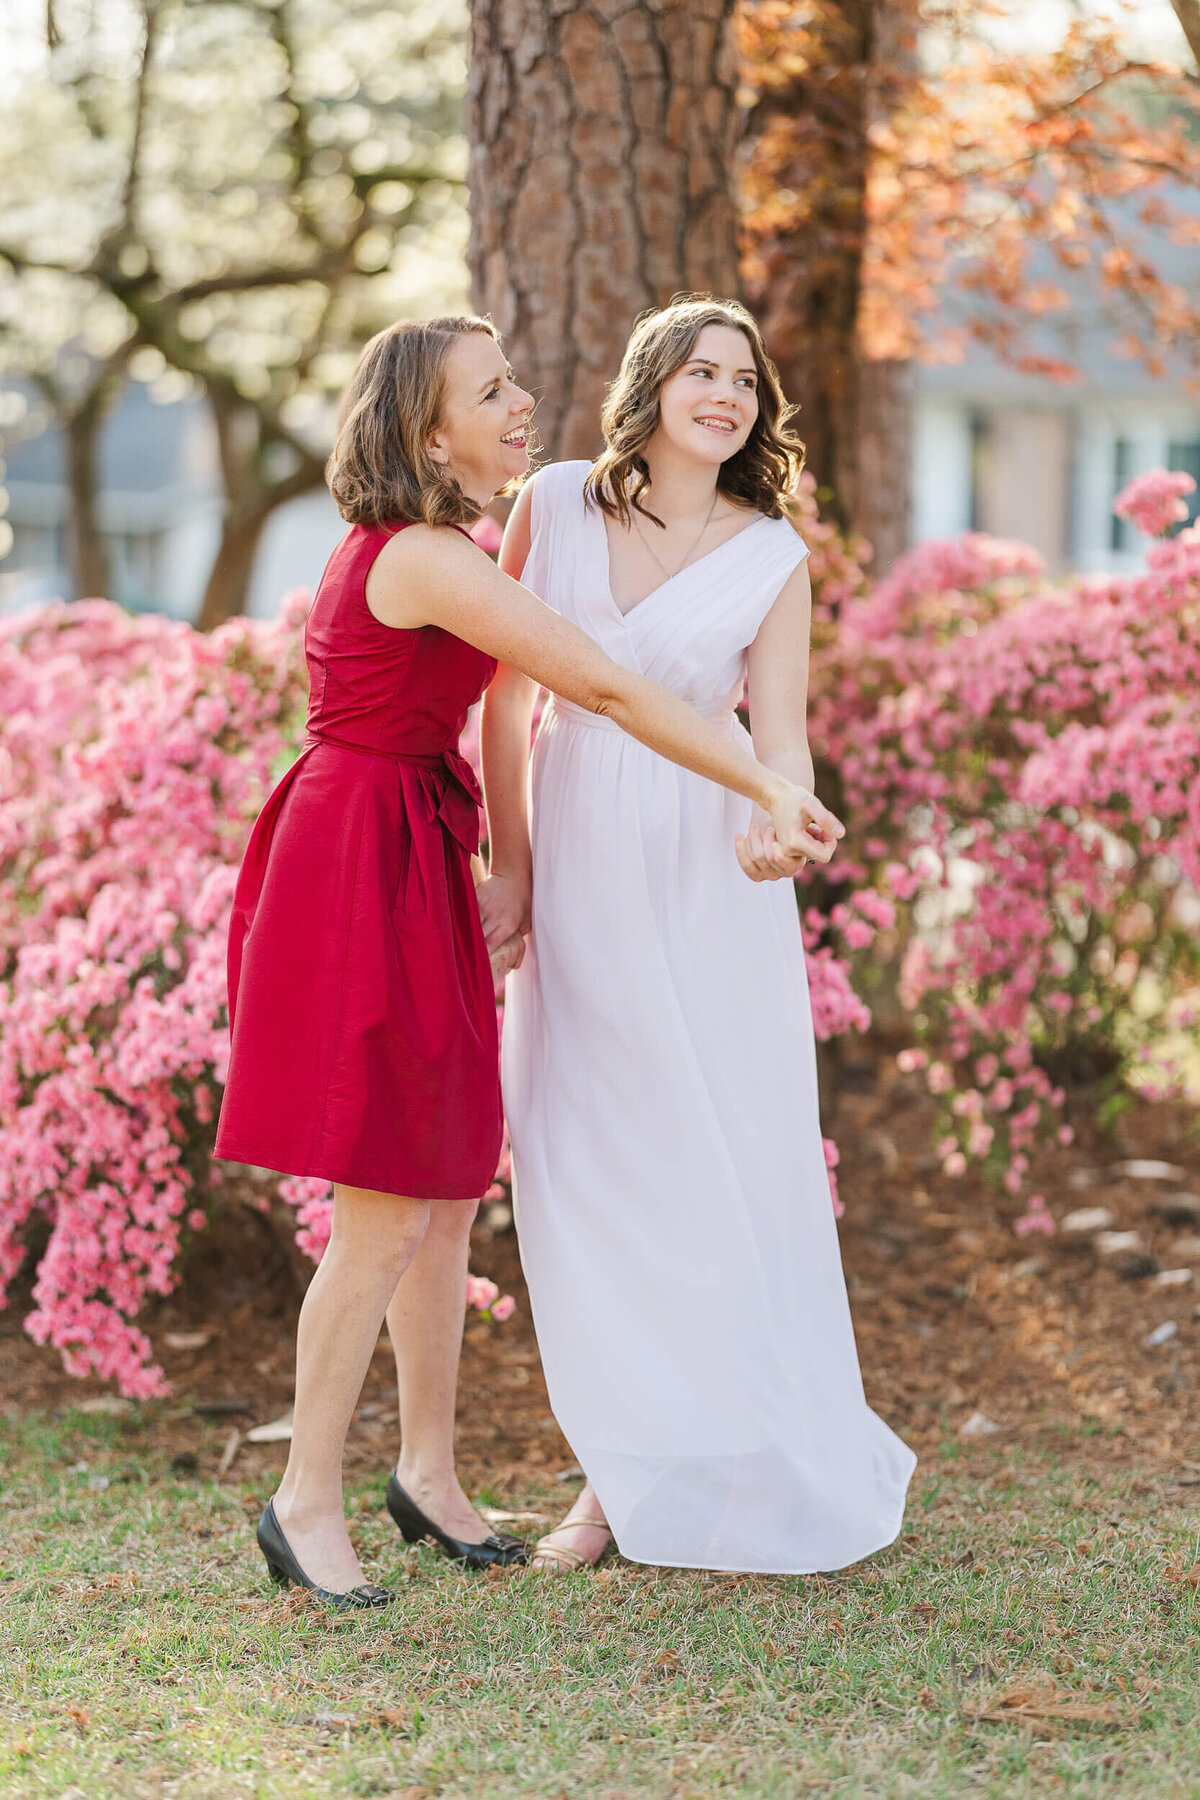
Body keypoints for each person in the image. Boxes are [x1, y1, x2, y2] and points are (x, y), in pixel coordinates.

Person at [213, 312, 844, 1607]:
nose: (521, 407)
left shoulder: (439, 544)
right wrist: (763, 791)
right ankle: (303, 1500)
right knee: (384, 1204)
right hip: (363, 859)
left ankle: (430, 1475)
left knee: (442, 1183)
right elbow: (599, 688)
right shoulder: (428, 558)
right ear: (427, 429)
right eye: (491, 394)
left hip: (412, 844)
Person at [482, 296, 916, 1575]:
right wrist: (507, 869)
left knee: (710, 1144)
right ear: (651, 383)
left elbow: (777, 732)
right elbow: (506, 707)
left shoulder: (772, 551)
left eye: (743, 377)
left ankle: (708, 1450)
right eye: (700, 370)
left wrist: (781, 817)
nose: (723, 392)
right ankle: (613, 1470)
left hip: (708, 860)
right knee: (579, 1145)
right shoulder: (553, 504)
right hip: (571, 847)